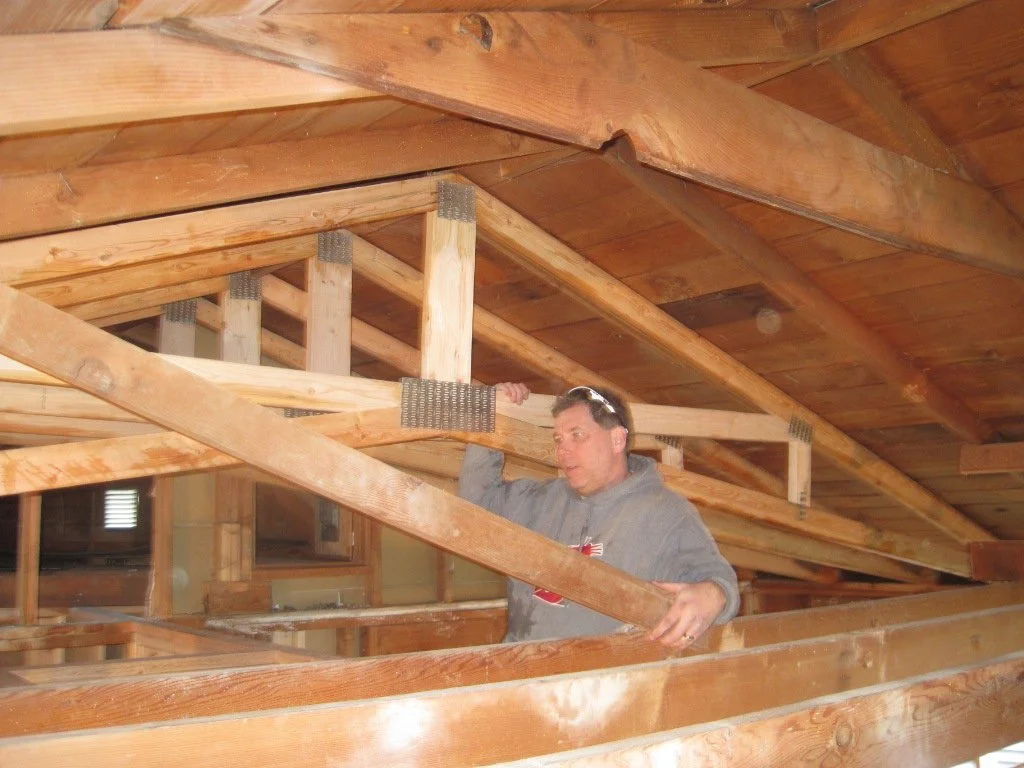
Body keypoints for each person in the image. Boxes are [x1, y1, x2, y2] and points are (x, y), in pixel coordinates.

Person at [458, 382, 739, 649]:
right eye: (558, 438)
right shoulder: (540, 501)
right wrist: (488, 410)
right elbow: (476, 507)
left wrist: (714, 594)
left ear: (617, 439)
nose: (562, 449)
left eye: (577, 435)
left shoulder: (664, 513)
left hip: (606, 687)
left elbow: (715, 581)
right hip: (522, 673)